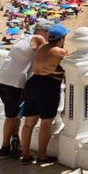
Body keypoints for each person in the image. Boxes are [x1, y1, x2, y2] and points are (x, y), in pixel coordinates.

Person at [0, 20, 51, 158]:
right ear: (42, 31)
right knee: (11, 116)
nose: (50, 36)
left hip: (2, 79)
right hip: (14, 82)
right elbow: (47, 53)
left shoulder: (24, 38)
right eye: (49, 33)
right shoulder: (39, 39)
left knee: (16, 113)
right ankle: (4, 147)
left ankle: (15, 140)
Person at [20, 24, 69, 163]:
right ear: (61, 39)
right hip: (47, 87)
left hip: (33, 83)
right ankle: (42, 156)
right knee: (46, 123)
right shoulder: (60, 52)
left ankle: (25, 154)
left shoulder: (41, 48)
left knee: (28, 123)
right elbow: (70, 59)